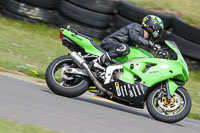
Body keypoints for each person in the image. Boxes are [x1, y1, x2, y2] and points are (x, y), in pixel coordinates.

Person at [92, 15, 166, 71]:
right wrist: (150, 44)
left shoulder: (141, 37)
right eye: (159, 29)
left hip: (116, 47)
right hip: (110, 42)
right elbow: (134, 37)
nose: (159, 32)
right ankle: (98, 62)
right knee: (124, 48)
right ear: (152, 25)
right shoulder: (136, 27)